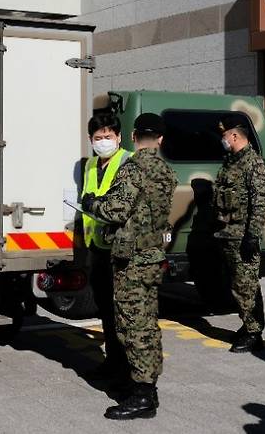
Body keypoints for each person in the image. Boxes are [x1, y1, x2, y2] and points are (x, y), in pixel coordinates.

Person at [82, 113, 177, 420]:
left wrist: (93, 204)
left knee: (134, 326)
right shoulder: (165, 170)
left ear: (134, 137)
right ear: (161, 139)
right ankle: (140, 385)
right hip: (152, 256)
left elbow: (116, 209)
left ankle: (144, 396)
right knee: (147, 324)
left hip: (133, 261)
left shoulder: (134, 168)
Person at [213, 115, 265, 353]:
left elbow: (261, 203)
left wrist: (252, 235)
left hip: (242, 236)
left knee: (246, 285)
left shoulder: (253, 164)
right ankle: (247, 324)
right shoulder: (231, 162)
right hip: (228, 234)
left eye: (224, 135)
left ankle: (254, 332)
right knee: (238, 285)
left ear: (234, 136)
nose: (222, 139)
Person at [81, 113, 132, 380]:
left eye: (108, 137)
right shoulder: (90, 165)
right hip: (97, 248)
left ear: (119, 137)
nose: (103, 142)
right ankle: (112, 362)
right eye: (98, 138)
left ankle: (124, 369)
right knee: (105, 310)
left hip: (120, 250)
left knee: (121, 312)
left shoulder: (128, 162)